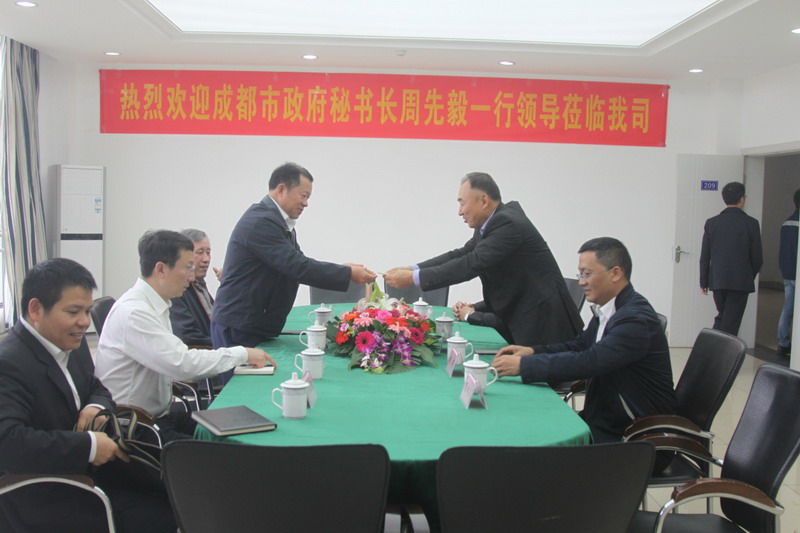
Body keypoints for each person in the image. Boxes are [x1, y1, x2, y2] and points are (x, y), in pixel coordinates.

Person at [0, 258, 176, 532]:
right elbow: (9, 443)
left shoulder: (68, 341)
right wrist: (89, 446)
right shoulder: (9, 363)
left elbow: (97, 387)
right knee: (173, 517)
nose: (84, 322)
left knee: (182, 498)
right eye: (73, 312)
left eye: (87, 311)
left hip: (95, 475)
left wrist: (94, 406)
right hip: (51, 495)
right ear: (36, 309)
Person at [95, 230, 275, 442]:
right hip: (135, 427)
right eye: (188, 267)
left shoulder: (155, 303)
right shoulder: (135, 313)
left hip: (162, 414)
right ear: (161, 269)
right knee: (226, 452)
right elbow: (182, 364)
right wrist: (242, 354)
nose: (191, 276)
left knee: (242, 427)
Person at [492, 237, 676, 443]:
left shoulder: (635, 319)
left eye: (587, 274)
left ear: (615, 273)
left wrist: (524, 366)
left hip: (634, 435)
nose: (581, 282)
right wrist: (532, 352)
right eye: (580, 275)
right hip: (604, 418)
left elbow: (591, 361)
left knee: (531, 443)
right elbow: (579, 345)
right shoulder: (611, 310)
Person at [384, 172, 582, 346]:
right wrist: (412, 269)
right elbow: (461, 254)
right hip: (528, 319)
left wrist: (414, 279)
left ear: (484, 201)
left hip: (545, 327)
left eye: (462, 203)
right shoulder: (492, 223)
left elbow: (471, 263)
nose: (460, 211)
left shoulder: (507, 224)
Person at [211, 162, 377, 348]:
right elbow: (297, 267)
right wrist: (348, 273)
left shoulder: (280, 222)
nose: (306, 203)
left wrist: (344, 269)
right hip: (238, 326)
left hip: (253, 324)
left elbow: (299, 262)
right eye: (303, 195)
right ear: (282, 189)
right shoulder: (261, 222)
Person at [699, 181, 763, 336]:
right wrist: (749, 275)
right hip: (741, 281)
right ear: (742, 199)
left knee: (723, 316)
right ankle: (722, 349)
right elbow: (757, 258)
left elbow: (705, 255)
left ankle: (712, 346)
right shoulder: (751, 223)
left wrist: (704, 281)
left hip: (718, 280)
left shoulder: (712, 223)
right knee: (730, 322)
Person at [170, 228, 217, 346]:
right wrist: (226, 346)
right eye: (200, 252)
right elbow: (187, 336)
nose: (206, 259)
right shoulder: (176, 291)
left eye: (208, 252)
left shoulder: (200, 285)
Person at [777, 188, 800, 357]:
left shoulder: (787, 223)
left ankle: (783, 343)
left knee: (788, 308)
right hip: (797, 272)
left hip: (787, 272)